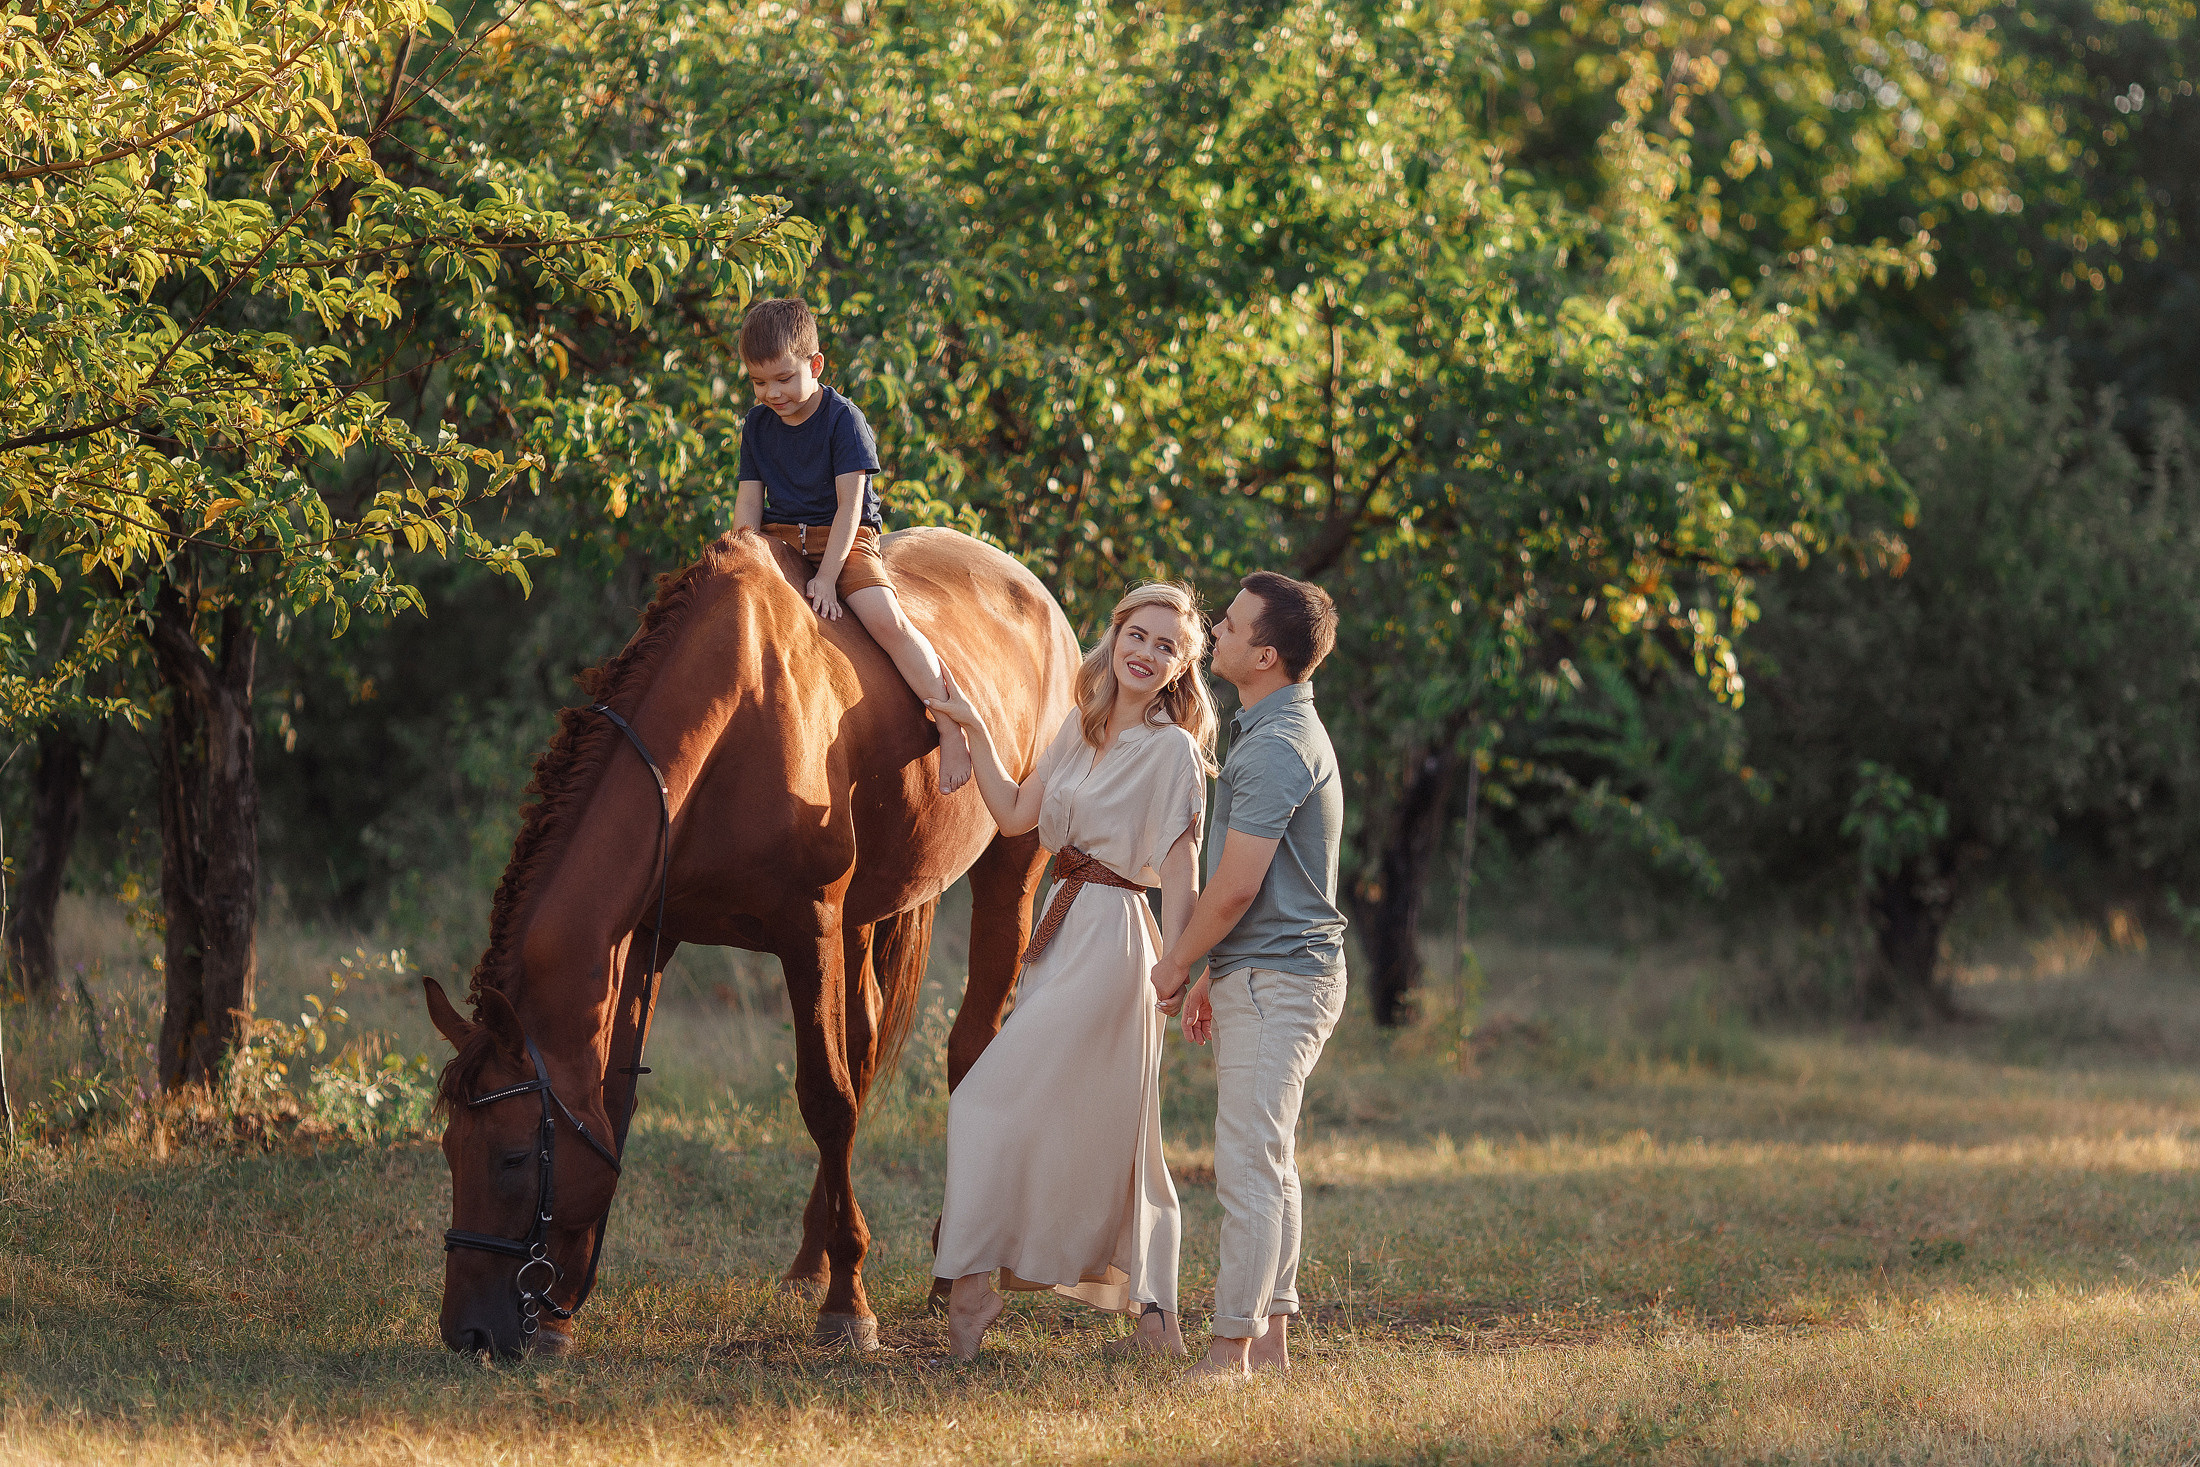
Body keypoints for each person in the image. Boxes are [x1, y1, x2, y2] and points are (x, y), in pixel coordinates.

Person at [922, 582, 1219, 1360]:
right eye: (1138, 635)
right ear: (1114, 635)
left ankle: (974, 1284)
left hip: (1119, 943)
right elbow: (1018, 812)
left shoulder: (1175, 751)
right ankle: (1153, 1312)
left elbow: (1183, 872)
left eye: (1167, 647)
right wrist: (974, 728)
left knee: (986, 1098)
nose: (1147, 654)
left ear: (1184, 668)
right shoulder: (1078, 729)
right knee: (1112, 1131)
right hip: (1061, 935)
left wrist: (1180, 965)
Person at [1151, 570, 1345, 1380]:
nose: (1214, 632)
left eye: (1228, 626)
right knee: (1270, 1158)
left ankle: (1227, 1350)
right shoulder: (1270, 727)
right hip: (1268, 971)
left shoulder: (1272, 746)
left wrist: (1177, 958)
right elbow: (1262, 889)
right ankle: (1270, 1346)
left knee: (1247, 1165)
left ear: (1264, 654)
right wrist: (1211, 975)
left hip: (1279, 980)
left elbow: (1233, 885)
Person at [731, 296, 974, 792]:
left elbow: (850, 507)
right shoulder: (756, 426)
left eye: (782, 379)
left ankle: (951, 723)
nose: (771, 393)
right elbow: (748, 509)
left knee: (887, 620)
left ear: (815, 364)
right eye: (758, 382)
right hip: (780, 539)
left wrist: (825, 575)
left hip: (842, 537)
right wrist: (739, 556)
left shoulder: (843, 419)